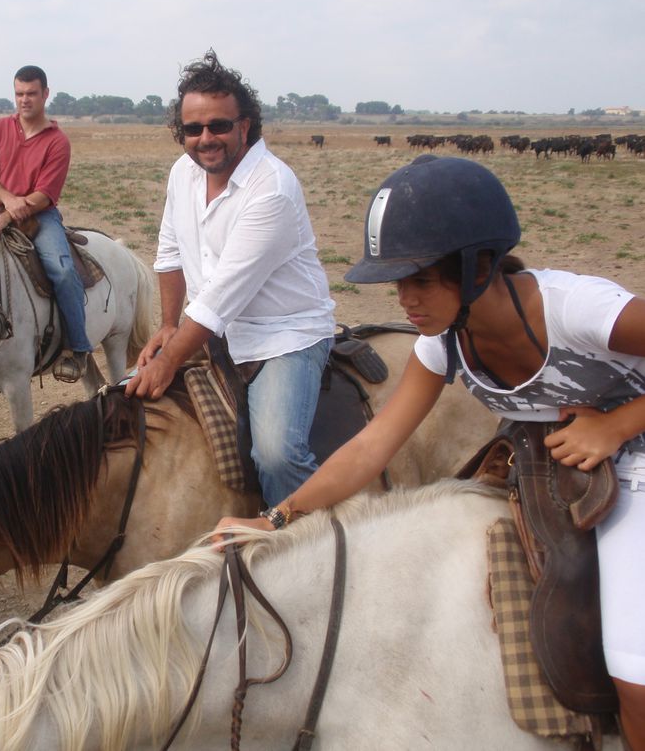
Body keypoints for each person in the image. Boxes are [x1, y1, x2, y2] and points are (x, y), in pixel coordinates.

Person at [215, 155, 645, 749]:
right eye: (398, 284)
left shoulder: (579, 309)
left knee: (635, 675)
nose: (405, 300)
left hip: (633, 458)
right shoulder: (443, 343)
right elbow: (372, 446)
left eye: (420, 280)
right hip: (553, 466)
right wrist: (275, 519)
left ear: (479, 269)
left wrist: (620, 424)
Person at [125, 51, 335, 508]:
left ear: (245, 125)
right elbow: (169, 253)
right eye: (193, 129)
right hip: (210, 333)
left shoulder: (271, 188)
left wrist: (169, 358)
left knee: (278, 455)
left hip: (283, 336)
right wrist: (165, 326)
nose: (206, 139)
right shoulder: (184, 173)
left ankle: (306, 544)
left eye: (219, 125)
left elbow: (221, 297)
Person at [0, 64, 92, 382]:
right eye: (19, 93)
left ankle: (77, 348)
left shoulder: (58, 141)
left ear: (45, 94)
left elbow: (44, 195)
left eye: (31, 93)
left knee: (63, 270)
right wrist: (8, 202)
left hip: (40, 216)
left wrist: (10, 212)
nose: (24, 100)